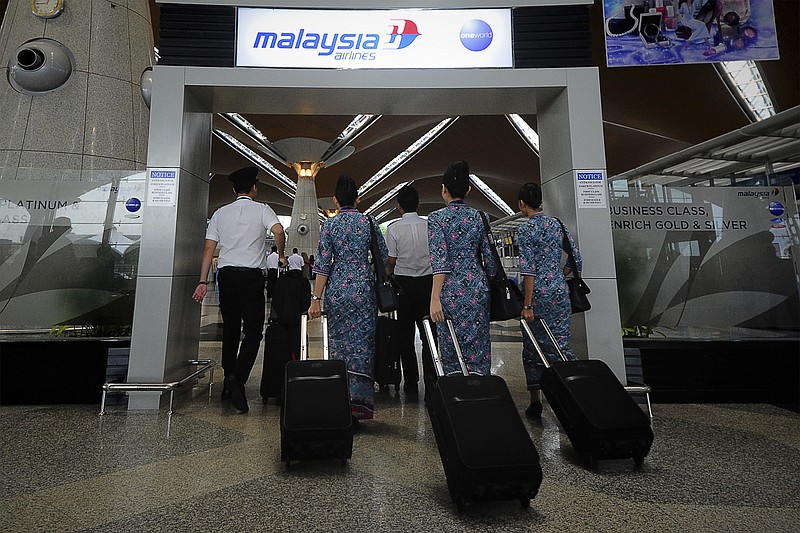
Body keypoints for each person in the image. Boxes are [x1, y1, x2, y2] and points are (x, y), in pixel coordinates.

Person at [192, 167, 286, 413]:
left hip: (226, 276)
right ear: (254, 189)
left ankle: (228, 381)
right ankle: (238, 379)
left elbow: (208, 250)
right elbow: (278, 231)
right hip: (251, 277)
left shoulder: (220, 214)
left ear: (234, 190)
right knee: (253, 331)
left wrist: (203, 281)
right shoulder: (263, 209)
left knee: (231, 330)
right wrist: (281, 254)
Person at [308, 174, 389, 425]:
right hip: (363, 291)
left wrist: (315, 298)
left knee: (339, 345)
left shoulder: (330, 226)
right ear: (358, 198)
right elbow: (383, 256)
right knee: (363, 346)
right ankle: (360, 405)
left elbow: (322, 264)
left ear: (335, 199)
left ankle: (339, 401)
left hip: (338, 291)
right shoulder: (368, 222)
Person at [517, 182, 582, 419]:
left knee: (533, 346)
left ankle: (536, 401)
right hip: (559, 292)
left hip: (539, 296)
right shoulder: (557, 225)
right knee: (561, 344)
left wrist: (527, 304)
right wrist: (559, 275)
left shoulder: (526, 230)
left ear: (522, 203)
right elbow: (576, 258)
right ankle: (577, 390)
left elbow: (529, 270)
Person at [427, 160, 497, 376]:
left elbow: (440, 261)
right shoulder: (480, 217)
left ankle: (456, 393)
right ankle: (481, 389)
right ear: (468, 189)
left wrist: (434, 298)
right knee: (479, 344)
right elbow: (491, 262)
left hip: (449, 292)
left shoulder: (436, 219)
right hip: (477, 289)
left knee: (450, 344)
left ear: (443, 189)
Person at [385, 185, 436, 395]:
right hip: (428, 284)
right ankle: (432, 377)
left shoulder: (394, 229)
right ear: (418, 204)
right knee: (429, 335)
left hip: (403, 285)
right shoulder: (430, 226)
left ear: (399, 206)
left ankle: (412, 382)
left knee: (405, 335)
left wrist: (388, 271)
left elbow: (391, 260)